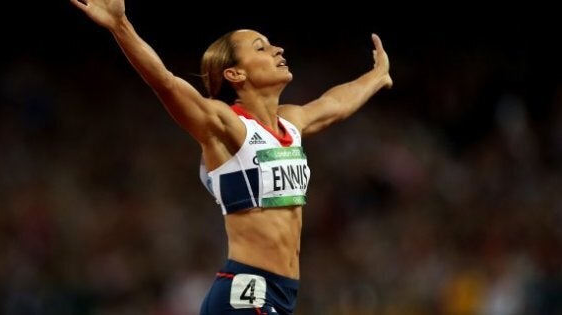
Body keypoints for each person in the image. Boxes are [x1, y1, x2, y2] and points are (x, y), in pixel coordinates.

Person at [70, 0, 393, 313]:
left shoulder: (291, 123)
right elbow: (166, 83)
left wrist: (377, 76)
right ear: (235, 74)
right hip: (246, 291)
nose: (277, 49)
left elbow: (335, 104)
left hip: (281, 293)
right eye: (260, 47)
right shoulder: (226, 126)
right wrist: (120, 26)